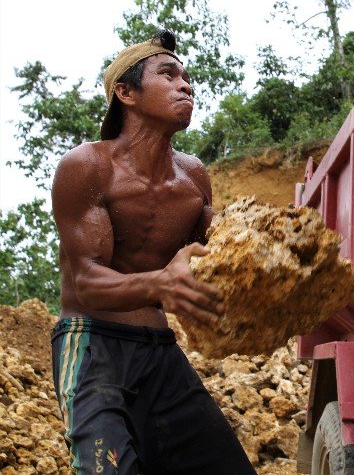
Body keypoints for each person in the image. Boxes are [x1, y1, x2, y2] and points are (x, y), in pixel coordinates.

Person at [50, 29, 256, 474]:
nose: (187, 85)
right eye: (169, 74)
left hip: (161, 350)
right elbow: (86, 281)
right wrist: (162, 283)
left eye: (187, 78)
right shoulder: (87, 167)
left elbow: (224, 247)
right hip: (92, 346)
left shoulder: (193, 175)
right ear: (125, 92)